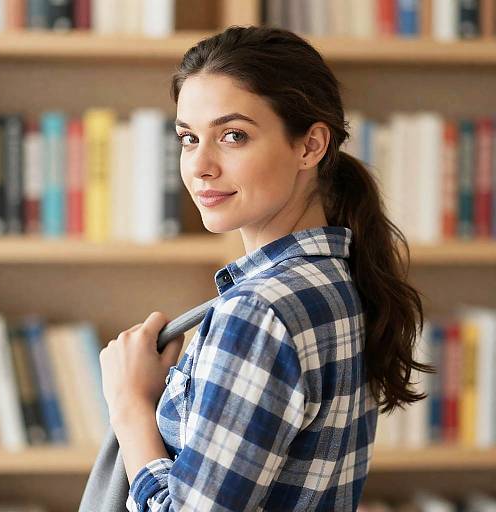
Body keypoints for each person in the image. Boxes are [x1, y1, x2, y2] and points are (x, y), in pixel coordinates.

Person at [98, 25, 434, 511]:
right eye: (188, 138)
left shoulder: (260, 312)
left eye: (233, 136)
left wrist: (130, 406)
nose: (200, 166)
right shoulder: (335, 283)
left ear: (310, 146)